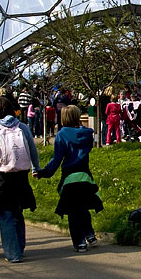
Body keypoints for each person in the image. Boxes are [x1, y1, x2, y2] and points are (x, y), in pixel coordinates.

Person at [36, 105, 103, 253]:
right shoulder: (87, 134)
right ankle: (90, 234)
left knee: (73, 212)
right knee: (83, 207)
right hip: (85, 175)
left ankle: (80, 243)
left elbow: (56, 159)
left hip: (69, 177)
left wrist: (43, 173)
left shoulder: (62, 134)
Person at [0, 96, 40, 263]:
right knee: (17, 212)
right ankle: (19, 247)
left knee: (5, 213)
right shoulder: (21, 126)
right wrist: (35, 167)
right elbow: (32, 148)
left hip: (2, 175)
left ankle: (13, 253)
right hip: (20, 175)